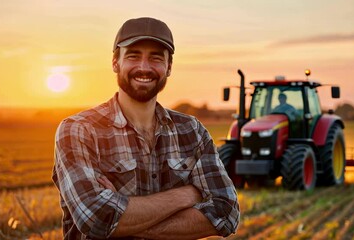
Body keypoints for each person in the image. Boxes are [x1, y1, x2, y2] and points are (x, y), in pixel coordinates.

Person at [52, 17, 239, 239]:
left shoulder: (192, 131)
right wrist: (186, 195)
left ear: (168, 67)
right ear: (115, 62)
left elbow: (226, 213)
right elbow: (95, 219)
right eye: (133, 56)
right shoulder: (79, 130)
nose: (144, 67)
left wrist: (123, 218)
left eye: (156, 58)